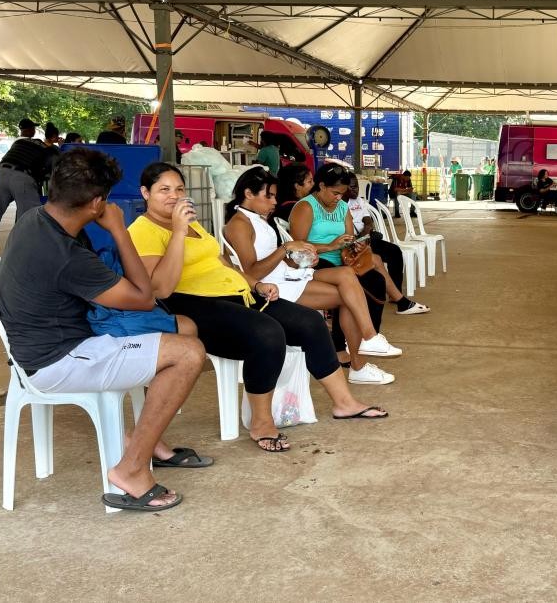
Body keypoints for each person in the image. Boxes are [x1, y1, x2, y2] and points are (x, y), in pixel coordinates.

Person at [0, 148, 208, 511]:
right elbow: (144, 297)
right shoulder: (65, 253)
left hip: (42, 345)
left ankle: (146, 442)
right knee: (188, 353)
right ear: (98, 203)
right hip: (58, 360)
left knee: (178, 331)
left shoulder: (35, 219)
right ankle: (132, 469)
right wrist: (119, 230)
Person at [130, 162, 388, 454]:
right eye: (164, 190)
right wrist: (177, 233)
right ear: (145, 193)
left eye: (179, 189)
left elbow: (224, 264)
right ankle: (261, 421)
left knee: (310, 322)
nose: (174, 196)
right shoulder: (143, 230)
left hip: (236, 293)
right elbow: (161, 289)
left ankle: (344, 403)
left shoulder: (193, 226)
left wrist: (255, 284)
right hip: (193, 303)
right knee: (267, 333)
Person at [223, 168, 400, 385]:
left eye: (275, 196)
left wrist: (302, 259)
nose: (274, 202)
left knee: (347, 276)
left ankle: (369, 341)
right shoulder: (239, 225)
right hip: (271, 286)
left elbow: (273, 257)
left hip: (285, 274)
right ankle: (361, 360)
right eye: (269, 196)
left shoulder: (257, 219)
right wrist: (285, 248)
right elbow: (251, 273)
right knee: (350, 296)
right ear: (249, 194)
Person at [342, 171, 427, 315]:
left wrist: (365, 233)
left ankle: (395, 294)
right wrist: (358, 239)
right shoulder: (339, 204)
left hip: (365, 239)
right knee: (371, 263)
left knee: (394, 251)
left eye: (357, 186)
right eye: (352, 187)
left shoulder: (359, 201)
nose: (356, 190)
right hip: (351, 244)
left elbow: (368, 220)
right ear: (343, 187)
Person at [0, 118, 54, 246]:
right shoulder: (44, 146)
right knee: (29, 216)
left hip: (1, 173)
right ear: (31, 130)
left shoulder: (18, 143)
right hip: (22, 176)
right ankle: (23, 247)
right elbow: (51, 167)